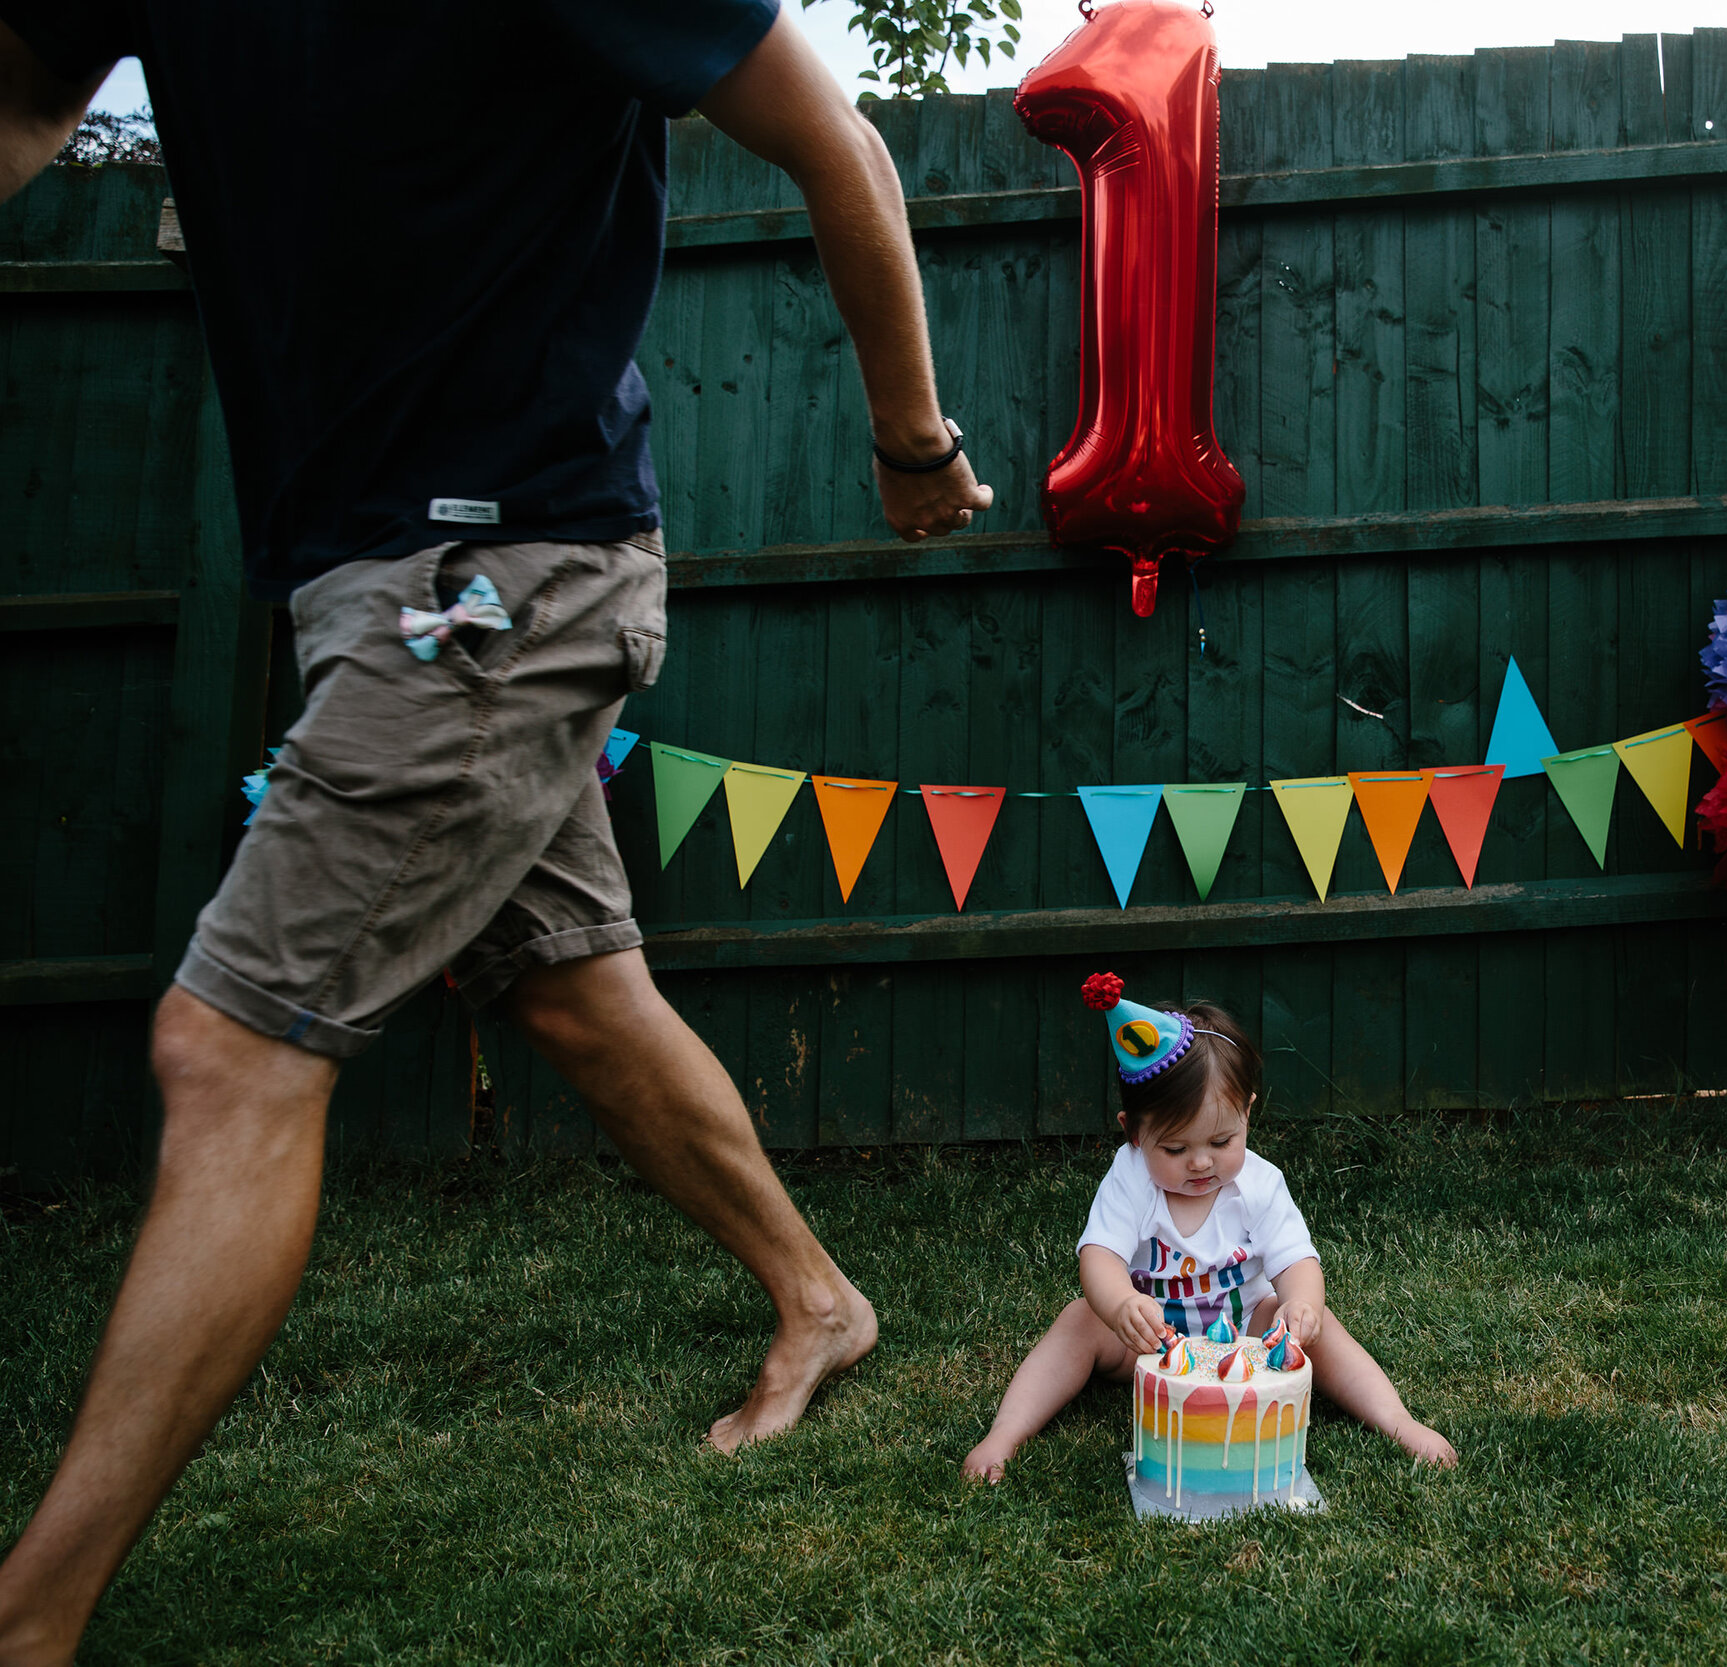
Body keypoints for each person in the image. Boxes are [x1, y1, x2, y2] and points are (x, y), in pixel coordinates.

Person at [0, 3, 992, 1660]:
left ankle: (29, 1617)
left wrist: (915, 441)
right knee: (568, 982)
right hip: (362, 572)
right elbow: (29, 86)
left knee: (230, 1049)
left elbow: (841, 140)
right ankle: (821, 1298)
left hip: (498, 580)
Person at [962, 974, 1457, 1483]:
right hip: (1151, 1348)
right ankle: (1005, 1434)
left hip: (1249, 1344)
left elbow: (1295, 1259)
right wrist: (1120, 1306)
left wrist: (1301, 1304)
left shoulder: (1260, 1185)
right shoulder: (1131, 1176)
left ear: (1247, 1113)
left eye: (1222, 1141)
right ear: (1133, 1132)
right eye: (1174, 1149)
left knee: (1319, 1325)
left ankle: (1397, 1421)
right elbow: (1100, 1255)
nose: (1201, 1163)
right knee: (1077, 1320)